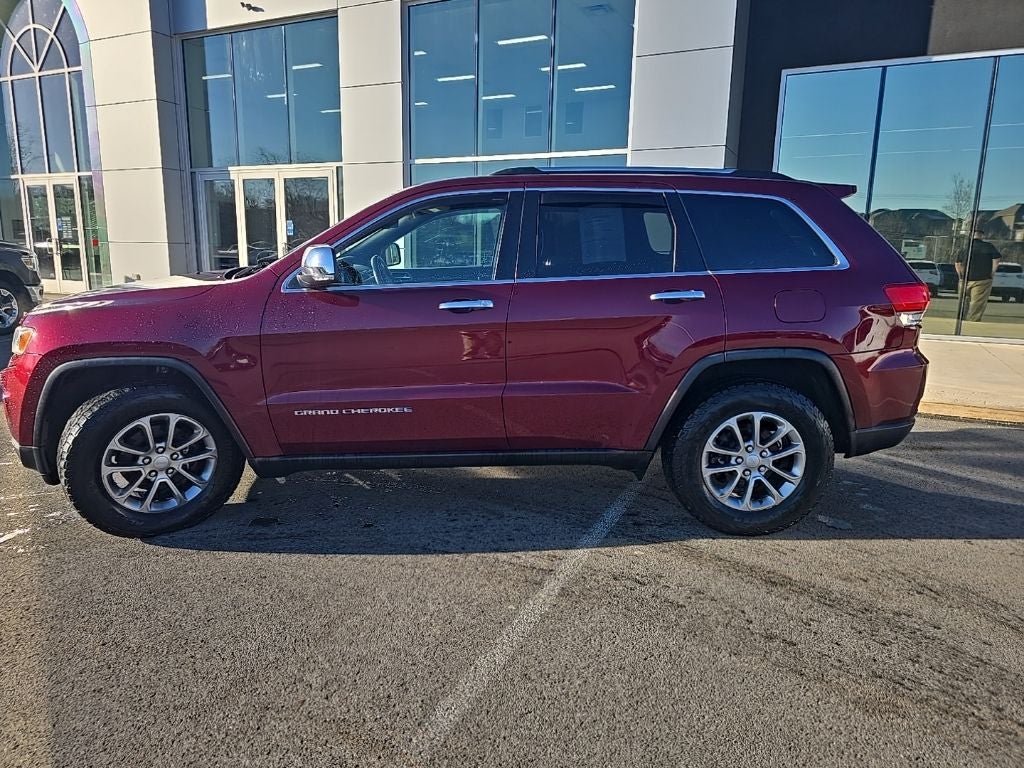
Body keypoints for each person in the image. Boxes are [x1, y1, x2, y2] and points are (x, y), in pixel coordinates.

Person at [955, 226, 1001, 322]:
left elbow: (958, 263)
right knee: (977, 304)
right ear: (981, 235)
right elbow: (996, 260)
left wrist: (961, 275)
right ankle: (972, 322)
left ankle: (960, 321)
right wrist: (991, 273)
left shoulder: (965, 248)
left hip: (965, 279)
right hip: (982, 279)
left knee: (963, 302)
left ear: (971, 235)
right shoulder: (989, 247)